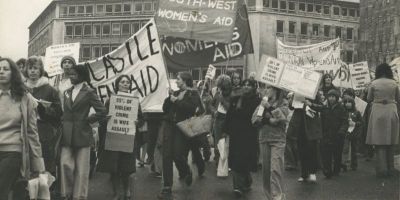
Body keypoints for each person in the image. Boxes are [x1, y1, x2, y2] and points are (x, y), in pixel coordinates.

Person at [60, 64, 107, 200]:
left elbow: (102, 111)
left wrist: (88, 120)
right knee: (65, 164)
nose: (71, 76)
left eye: (73, 74)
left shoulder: (89, 91)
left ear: (81, 75)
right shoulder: (66, 92)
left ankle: (79, 196)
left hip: (83, 134)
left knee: (82, 170)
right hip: (67, 134)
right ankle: (66, 194)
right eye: (70, 74)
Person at [0, 58, 45, 199]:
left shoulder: (25, 98)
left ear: (13, 73)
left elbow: (32, 133)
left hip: (13, 151)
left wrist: (38, 163)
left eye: (5, 69)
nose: (1, 72)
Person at [98, 75, 142, 200]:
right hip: (113, 137)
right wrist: (105, 118)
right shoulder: (110, 100)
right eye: (122, 82)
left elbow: (142, 118)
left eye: (127, 82)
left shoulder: (135, 100)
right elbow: (102, 117)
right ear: (117, 85)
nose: (125, 84)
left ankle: (127, 190)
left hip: (128, 137)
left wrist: (139, 122)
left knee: (126, 167)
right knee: (114, 167)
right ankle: (116, 193)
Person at [158, 72, 201, 200]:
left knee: (178, 155)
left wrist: (176, 101)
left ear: (185, 80)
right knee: (166, 155)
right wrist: (169, 98)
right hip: (169, 126)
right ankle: (167, 187)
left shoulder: (193, 94)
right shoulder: (175, 93)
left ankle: (186, 171)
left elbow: (191, 109)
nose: (176, 81)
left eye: (178, 79)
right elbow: (165, 109)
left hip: (182, 127)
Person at [24, 56, 62, 177]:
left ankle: (46, 191)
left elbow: (59, 113)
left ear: (41, 70)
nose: (33, 71)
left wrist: (47, 108)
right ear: (26, 70)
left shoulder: (50, 89)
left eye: (36, 68)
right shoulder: (21, 88)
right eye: (30, 68)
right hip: (24, 130)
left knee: (45, 163)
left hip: (44, 131)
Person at [225, 79, 260, 197]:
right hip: (236, 133)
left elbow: (252, 115)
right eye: (244, 85)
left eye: (249, 85)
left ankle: (246, 180)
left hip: (248, 134)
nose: (246, 87)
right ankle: (238, 187)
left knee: (245, 158)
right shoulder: (236, 99)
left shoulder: (257, 100)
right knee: (236, 159)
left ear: (253, 87)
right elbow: (229, 114)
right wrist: (225, 130)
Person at [252, 86, 289, 200]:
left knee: (275, 169)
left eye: (269, 88)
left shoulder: (283, 102)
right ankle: (270, 197)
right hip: (264, 138)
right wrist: (267, 119)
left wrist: (271, 108)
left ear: (276, 90)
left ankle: (277, 196)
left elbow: (282, 118)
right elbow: (254, 120)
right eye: (265, 88)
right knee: (266, 172)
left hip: (278, 139)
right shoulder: (262, 103)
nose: (266, 90)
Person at [366, 63, 399, 177]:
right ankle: (391, 167)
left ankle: (382, 169)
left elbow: (369, 98)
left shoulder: (374, 83)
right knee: (391, 140)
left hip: (378, 110)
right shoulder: (394, 83)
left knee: (379, 142)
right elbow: (398, 99)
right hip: (391, 110)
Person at [288, 91, 324, 183]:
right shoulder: (297, 92)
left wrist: (310, 104)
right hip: (299, 125)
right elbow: (291, 107)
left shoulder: (315, 92)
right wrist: (292, 100)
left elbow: (322, 107)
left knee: (311, 149)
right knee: (301, 149)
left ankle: (312, 172)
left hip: (311, 125)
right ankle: (304, 174)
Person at [320, 89, 348, 178]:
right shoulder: (325, 108)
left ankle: (336, 170)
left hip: (338, 135)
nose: (331, 99)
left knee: (337, 154)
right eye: (330, 97)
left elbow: (345, 121)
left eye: (333, 97)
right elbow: (317, 109)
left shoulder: (341, 108)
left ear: (336, 98)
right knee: (326, 153)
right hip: (326, 134)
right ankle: (327, 171)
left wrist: (342, 131)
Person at [342, 96, 363, 171]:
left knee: (354, 150)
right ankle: (343, 164)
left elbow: (361, 122)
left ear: (352, 103)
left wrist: (355, 123)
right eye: (346, 102)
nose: (347, 104)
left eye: (349, 102)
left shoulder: (357, 112)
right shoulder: (343, 112)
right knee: (345, 148)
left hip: (354, 133)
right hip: (346, 133)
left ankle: (354, 165)